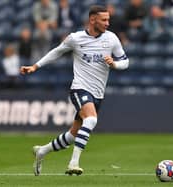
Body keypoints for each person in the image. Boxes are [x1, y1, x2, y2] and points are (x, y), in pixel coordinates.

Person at [20, 5, 129, 176]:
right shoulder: (75, 38)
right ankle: (73, 163)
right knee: (91, 120)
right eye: (104, 20)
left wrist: (115, 64)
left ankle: (42, 151)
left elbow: (125, 61)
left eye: (108, 19)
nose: (108, 23)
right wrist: (35, 66)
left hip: (98, 93)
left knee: (72, 135)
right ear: (92, 20)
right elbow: (56, 52)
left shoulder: (112, 38)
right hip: (80, 88)